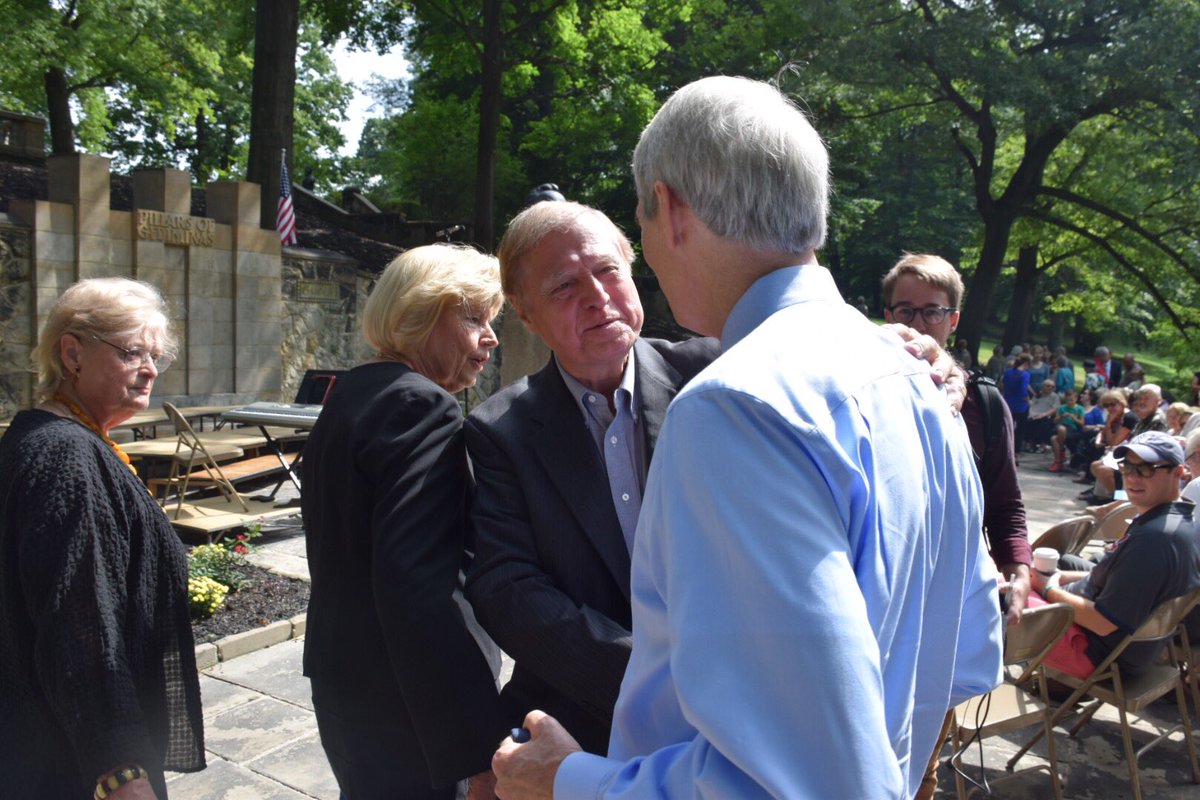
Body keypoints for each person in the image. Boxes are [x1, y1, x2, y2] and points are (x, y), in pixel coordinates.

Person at [493, 75, 1002, 800]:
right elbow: (969, 651)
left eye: (632, 233)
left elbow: (791, 785)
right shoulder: (912, 380)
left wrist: (569, 780)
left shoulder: (735, 408)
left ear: (670, 209)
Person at [302, 244, 508, 799]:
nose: (491, 337)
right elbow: (419, 587)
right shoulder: (421, 405)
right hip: (407, 703)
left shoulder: (354, 390)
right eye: (474, 317)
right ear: (420, 313)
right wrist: (477, 749)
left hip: (345, 680)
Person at [0, 278, 204, 798]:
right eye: (132, 352)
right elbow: (80, 625)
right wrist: (122, 773)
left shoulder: (56, 437)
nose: (150, 369)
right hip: (73, 764)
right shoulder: (66, 456)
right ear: (72, 354)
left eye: (156, 356)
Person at [880, 253, 1034, 800]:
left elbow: (1006, 504)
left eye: (933, 311)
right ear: (887, 314)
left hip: (944, 608)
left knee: (921, 764)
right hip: (878, 602)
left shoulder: (984, 405)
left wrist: (1019, 568)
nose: (919, 323)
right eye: (905, 309)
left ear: (954, 319)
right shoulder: (866, 390)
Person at [1031, 432, 1200, 679]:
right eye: (1127, 467)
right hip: (1132, 646)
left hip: (1099, 655)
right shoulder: (1181, 518)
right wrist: (1060, 577)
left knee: (1000, 597)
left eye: (1147, 469)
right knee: (1062, 563)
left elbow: (1102, 623)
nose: (1132, 477)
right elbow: (1123, 576)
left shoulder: (1154, 539)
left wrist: (1047, 589)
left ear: (1178, 473)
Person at [1078, 389, 1139, 504]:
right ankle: (1111, 496)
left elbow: (1114, 442)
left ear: (1121, 403)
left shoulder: (1128, 418)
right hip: (1116, 451)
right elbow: (1107, 437)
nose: (1110, 408)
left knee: (1102, 469)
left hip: (1127, 453)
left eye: (1113, 404)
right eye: (1106, 405)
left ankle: (1117, 498)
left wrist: (1109, 423)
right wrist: (1108, 424)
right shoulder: (1113, 416)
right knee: (1095, 465)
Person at [1003, 353, 1032, 453]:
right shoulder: (1025, 374)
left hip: (1008, 402)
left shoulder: (1008, 372)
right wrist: (1028, 400)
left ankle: (1004, 445)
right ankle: (1016, 450)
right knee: (1020, 429)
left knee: (1007, 426)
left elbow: (1003, 384)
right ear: (1026, 363)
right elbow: (1023, 390)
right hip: (1020, 405)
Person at [1050, 389, 1085, 472]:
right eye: (1068, 400)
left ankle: (1059, 457)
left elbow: (1082, 423)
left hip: (1072, 428)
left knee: (1054, 439)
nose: (1070, 402)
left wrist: (1075, 419)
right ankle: (1060, 456)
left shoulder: (1079, 409)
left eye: (1071, 400)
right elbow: (1055, 421)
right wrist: (1062, 416)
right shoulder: (1062, 408)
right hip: (1061, 426)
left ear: (1076, 399)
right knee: (1060, 429)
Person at [1026, 379, 1061, 451]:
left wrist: (1043, 414)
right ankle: (1031, 444)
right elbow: (1032, 404)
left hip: (1046, 416)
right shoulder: (1038, 395)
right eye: (1048, 386)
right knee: (1029, 422)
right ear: (1043, 386)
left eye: (1052, 387)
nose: (1050, 388)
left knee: (1044, 424)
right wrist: (1027, 401)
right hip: (1034, 415)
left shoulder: (1055, 396)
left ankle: (1043, 445)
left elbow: (1055, 408)